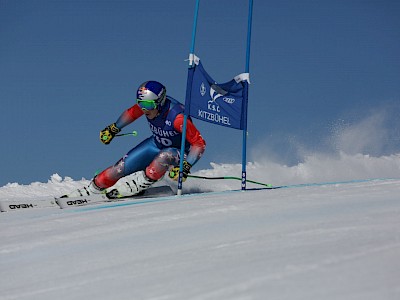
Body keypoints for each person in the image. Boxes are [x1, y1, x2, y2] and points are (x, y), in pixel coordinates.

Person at [65, 81, 206, 198]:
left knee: (164, 156)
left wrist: (186, 166)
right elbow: (131, 113)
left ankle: (140, 183)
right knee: (118, 169)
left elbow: (199, 143)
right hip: (156, 144)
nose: (145, 110)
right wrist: (114, 128)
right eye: (141, 104)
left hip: (179, 153)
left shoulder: (177, 118)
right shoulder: (147, 105)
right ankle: (93, 189)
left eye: (149, 106)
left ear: (160, 102)